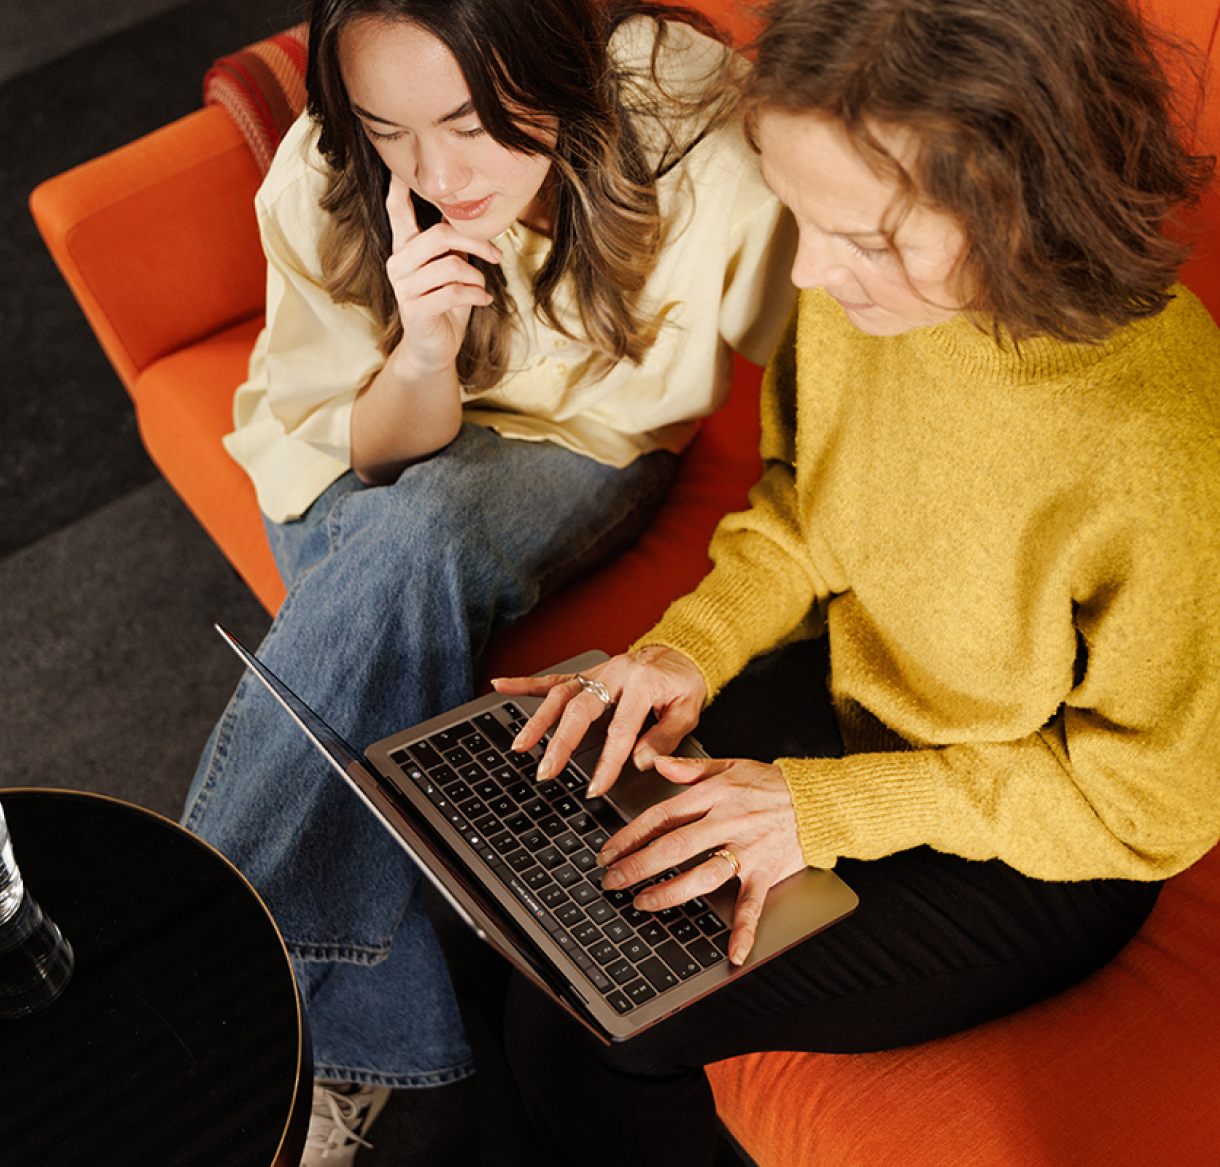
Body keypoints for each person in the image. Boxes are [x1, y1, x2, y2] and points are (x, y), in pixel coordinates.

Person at [464, 0, 1220, 1161]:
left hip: (1046, 841)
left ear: (1019, 196)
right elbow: (804, 513)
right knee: (513, 864)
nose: (811, 270)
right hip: (864, 701)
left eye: (865, 238)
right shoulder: (864, 297)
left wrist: (818, 812)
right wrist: (685, 650)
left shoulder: (1168, 464)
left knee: (601, 1030)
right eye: (800, 214)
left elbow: (1142, 810)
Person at [178, 0, 796, 1160]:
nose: (435, 172)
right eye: (388, 129)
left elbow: (836, 348)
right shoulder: (328, 175)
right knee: (400, 562)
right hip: (368, 447)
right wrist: (420, 345)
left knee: (412, 555)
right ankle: (377, 1051)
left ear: (556, 69)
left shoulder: (691, 141)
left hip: (569, 447)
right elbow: (368, 456)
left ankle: (207, 975)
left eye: (470, 123)